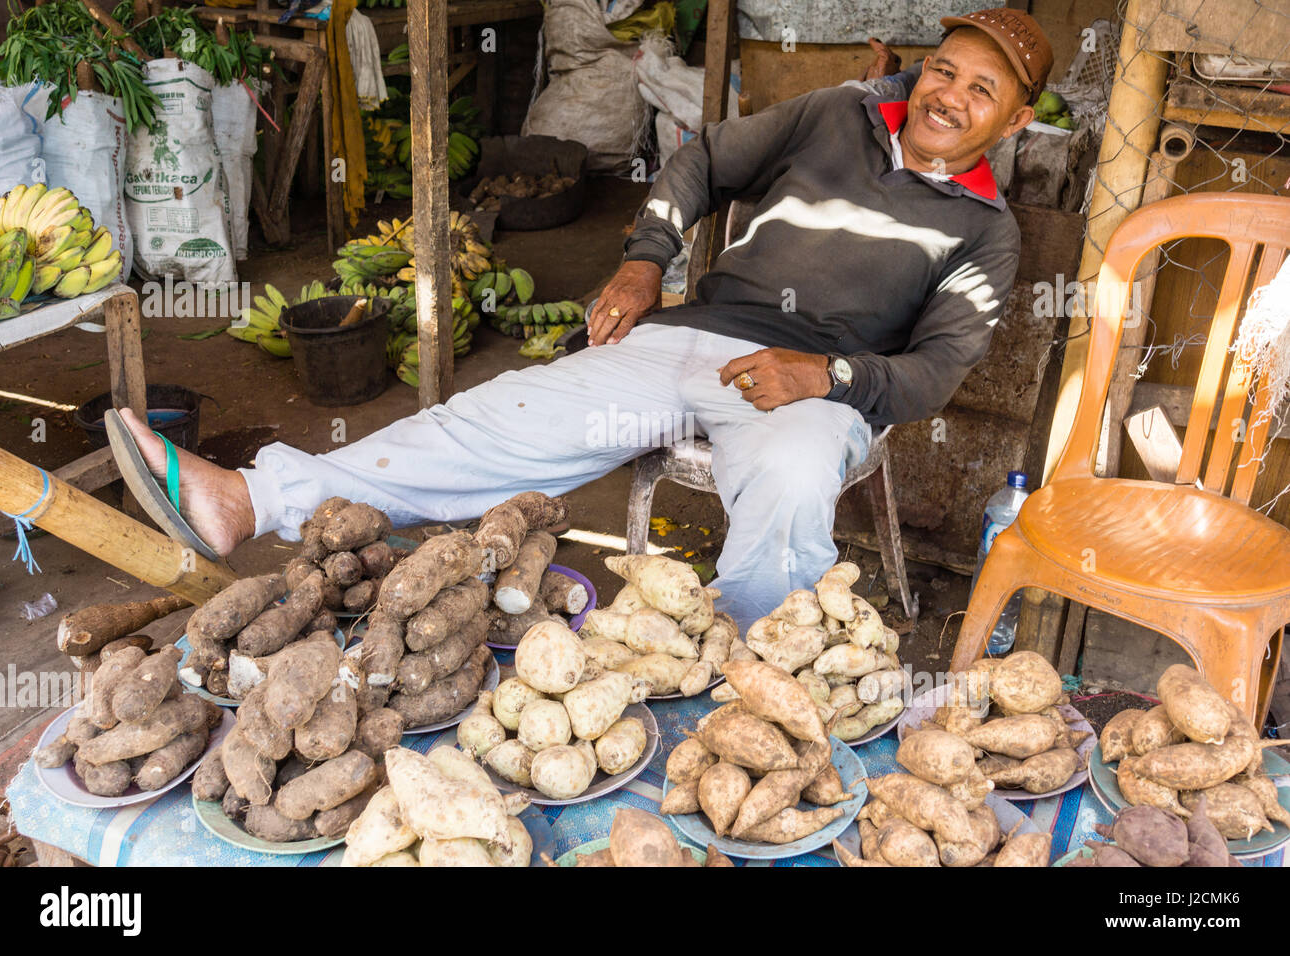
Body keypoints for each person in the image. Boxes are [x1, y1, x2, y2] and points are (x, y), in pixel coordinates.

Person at [111, 9, 1052, 632]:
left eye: (981, 91)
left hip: (812, 391)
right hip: (693, 335)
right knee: (498, 416)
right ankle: (253, 501)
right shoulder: (839, 114)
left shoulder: (986, 233)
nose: (948, 97)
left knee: (796, 477)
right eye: (945, 70)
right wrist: (647, 259)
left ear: (1012, 123)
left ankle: (740, 669)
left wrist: (826, 379)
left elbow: (935, 373)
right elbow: (699, 165)